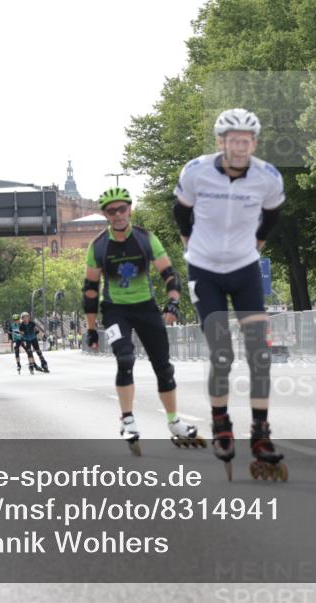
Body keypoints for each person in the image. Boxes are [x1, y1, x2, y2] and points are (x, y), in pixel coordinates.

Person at [172, 108, 287, 480]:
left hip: (244, 269)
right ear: (221, 142)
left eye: (247, 140)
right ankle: (221, 423)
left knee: (260, 354)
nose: (239, 146)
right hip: (204, 270)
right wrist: (190, 242)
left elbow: (272, 216)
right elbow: (180, 211)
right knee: (221, 352)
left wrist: (257, 242)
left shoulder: (268, 177)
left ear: (254, 143)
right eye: (232, 140)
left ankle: (260, 433)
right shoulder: (195, 171)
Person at [84, 186, 202, 456]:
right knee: (125, 359)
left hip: (146, 308)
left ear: (130, 209)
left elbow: (170, 275)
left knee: (163, 367)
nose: (117, 215)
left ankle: (174, 422)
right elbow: (90, 289)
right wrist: (91, 328)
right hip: (115, 310)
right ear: (105, 214)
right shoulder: (98, 246)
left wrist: (172, 302)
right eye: (111, 211)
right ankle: (127, 420)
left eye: (121, 209)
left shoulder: (146, 239)